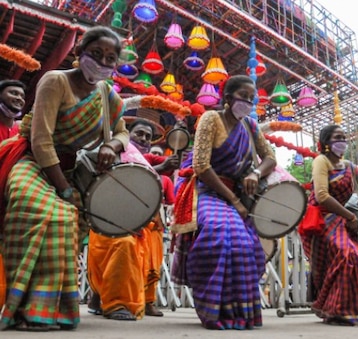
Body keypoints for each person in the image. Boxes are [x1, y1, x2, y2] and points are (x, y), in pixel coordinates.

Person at [0, 26, 128, 331]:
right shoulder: (55, 80)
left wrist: (113, 144)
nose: (101, 62)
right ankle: (20, 308)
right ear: (78, 53)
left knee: (66, 221)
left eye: (110, 58)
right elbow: (41, 141)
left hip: (70, 170)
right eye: (95, 54)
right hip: (35, 163)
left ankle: (48, 310)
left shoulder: (106, 95)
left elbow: (122, 130)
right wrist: (65, 190)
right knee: (47, 213)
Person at [171, 75, 276, 330]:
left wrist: (255, 173)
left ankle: (240, 312)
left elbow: (270, 158)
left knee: (245, 245)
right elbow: (200, 165)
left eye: (252, 99)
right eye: (243, 97)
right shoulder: (210, 118)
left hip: (237, 196)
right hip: (207, 191)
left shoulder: (251, 126)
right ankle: (212, 310)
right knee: (219, 235)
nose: (248, 103)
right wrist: (234, 201)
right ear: (228, 99)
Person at [88, 118, 178, 320]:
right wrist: (161, 169)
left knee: (144, 258)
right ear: (127, 134)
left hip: (143, 221)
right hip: (111, 217)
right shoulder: (111, 150)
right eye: (139, 133)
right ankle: (114, 302)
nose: (144, 139)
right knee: (122, 248)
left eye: (148, 136)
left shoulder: (142, 159)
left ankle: (139, 300)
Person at [298, 124, 358, 327]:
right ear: (326, 143)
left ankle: (352, 308)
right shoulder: (321, 161)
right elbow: (322, 196)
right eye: (337, 137)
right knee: (347, 256)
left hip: (343, 220)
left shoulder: (351, 167)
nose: (342, 141)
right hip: (323, 219)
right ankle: (337, 310)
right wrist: (350, 218)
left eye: (344, 137)